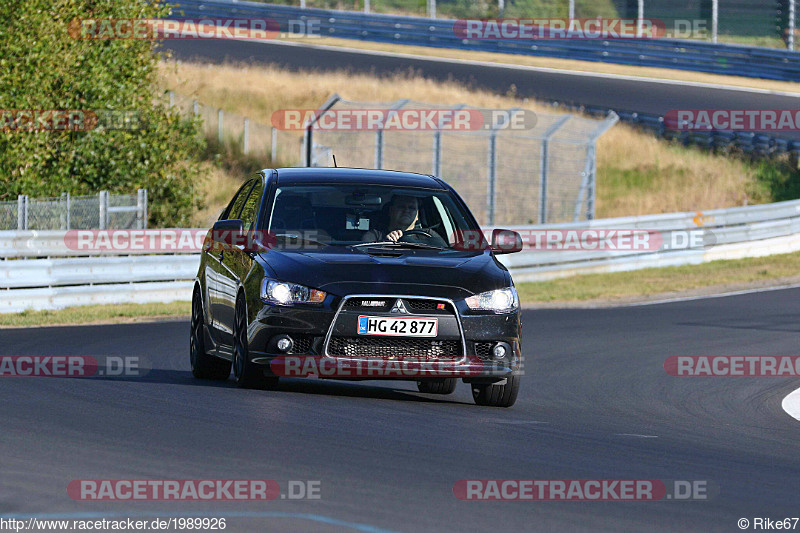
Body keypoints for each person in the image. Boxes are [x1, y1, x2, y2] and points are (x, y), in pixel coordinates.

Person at [362, 194, 447, 247]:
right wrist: (385, 243)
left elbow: (445, 254)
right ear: (391, 211)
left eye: (411, 208)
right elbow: (364, 256)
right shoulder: (375, 235)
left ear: (417, 215)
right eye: (401, 206)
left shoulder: (428, 235)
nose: (406, 210)